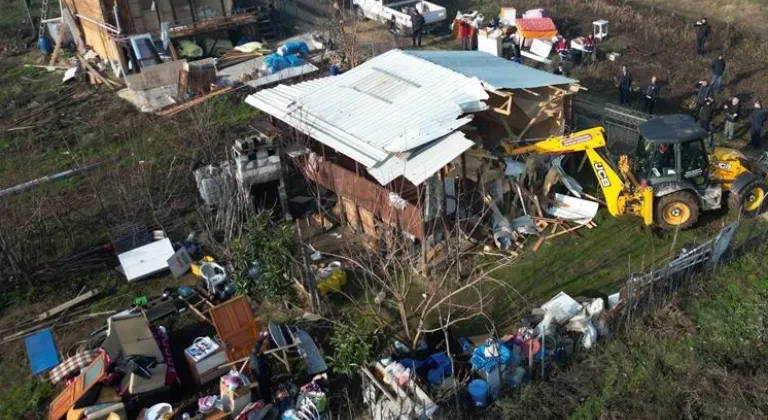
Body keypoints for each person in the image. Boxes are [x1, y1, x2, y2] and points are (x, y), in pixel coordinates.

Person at [249, 331, 272, 403]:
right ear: (259, 352)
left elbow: (257, 344)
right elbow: (263, 375)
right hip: (262, 381)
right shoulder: (258, 363)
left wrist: (262, 336)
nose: (262, 349)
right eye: (261, 350)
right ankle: (268, 403)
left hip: (260, 379)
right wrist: (269, 377)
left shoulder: (253, 354)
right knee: (265, 395)